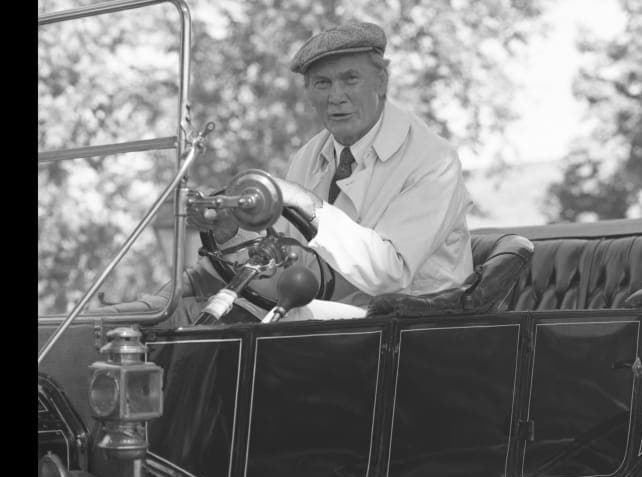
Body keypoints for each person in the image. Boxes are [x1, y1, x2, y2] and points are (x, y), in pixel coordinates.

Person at [101, 22, 474, 324]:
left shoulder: (433, 160)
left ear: (382, 81)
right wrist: (228, 236)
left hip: (416, 329)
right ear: (308, 92)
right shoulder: (311, 155)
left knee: (277, 321)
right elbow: (287, 260)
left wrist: (308, 204)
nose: (336, 96)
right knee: (169, 317)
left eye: (350, 79)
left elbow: (389, 274)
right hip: (341, 312)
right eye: (322, 83)